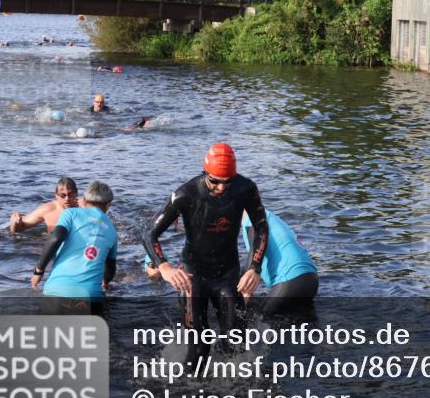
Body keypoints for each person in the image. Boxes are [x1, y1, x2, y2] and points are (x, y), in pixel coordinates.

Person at [143, 143, 269, 362]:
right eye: (215, 182)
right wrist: (164, 266)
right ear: (205, 173)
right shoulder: (186, 194)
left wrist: (254, 268)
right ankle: (192, 392)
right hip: (193, 275)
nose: (221, 188)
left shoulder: (246, 188)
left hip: (227, 273)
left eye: (227, 182)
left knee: (236, 343)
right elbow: (149, 234)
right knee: (199, 348)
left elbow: (261, 228)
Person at [30, 181, 117, 314]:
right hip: (91, 299)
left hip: (57, 293)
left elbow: (56, 238)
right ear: (108, 205)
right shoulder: (112, 231)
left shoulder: (71, 214)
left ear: (84, 200)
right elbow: (110, 267)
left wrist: (39, 270)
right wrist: (105, 282)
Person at [241, 209, 318, 316]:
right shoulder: (265, 216)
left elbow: (253, 258)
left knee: (262, 322)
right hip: (310, 280)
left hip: (290, 281)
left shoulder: (252, 220)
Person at [10, 177, 79, 233]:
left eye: (71, 195)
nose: (67, 199)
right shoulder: (48, 209)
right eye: (62, 195)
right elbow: (20, 227)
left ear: (76, 193)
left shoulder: (84, 208)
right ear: (56, 196)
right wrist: (15, 223)